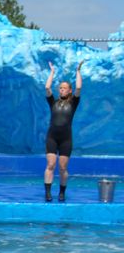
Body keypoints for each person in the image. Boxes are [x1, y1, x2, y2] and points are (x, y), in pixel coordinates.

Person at [44, 60, 83, 202]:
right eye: (60, 88)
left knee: (62, 168)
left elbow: (79, 88)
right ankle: (48, 193)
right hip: (52, 137)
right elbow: (47, 87)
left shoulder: (73, 103)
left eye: (65, 88)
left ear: (69, 90)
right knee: (50, 165)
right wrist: (52, 72)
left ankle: (61, 192)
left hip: (66, 139)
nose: (62, 90)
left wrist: (78, 71)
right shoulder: (53, 102)